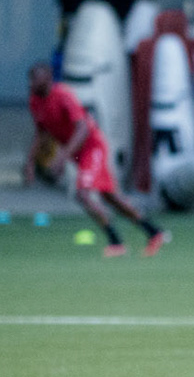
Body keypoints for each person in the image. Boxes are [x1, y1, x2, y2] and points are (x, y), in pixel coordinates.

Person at [26, 63, 168, 257]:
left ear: (49, 78)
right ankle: (153, 232)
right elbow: (41, 132)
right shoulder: (34, 101)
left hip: (92, 146)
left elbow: (82, 128)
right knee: (110, 197)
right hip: (77, 152)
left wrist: (61, 158)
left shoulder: (63, 95)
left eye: (37, 78)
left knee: (82, 193)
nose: (32, 82)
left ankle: (116, 242)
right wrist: (30, 162)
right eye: (31, 78)